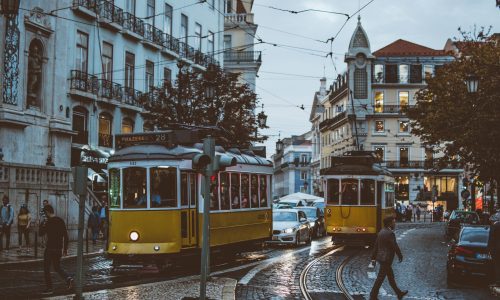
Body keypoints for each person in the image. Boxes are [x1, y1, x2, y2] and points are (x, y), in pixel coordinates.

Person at [370, 216, 408, 300]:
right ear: (389, 223)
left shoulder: (381, 232)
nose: (395, 224)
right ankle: (372, 296)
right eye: (393, 222)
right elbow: (394, 246)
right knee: (380, 278)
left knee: (391, 277)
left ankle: (399, 293)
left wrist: (373, 257)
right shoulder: (390, 233)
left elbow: (376, 246)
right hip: (386, 259)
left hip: (381, 258)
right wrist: (400, 255)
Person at [39, 205, 73, 295]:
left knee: (46, 269)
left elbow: (40, 233)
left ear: (47, 212)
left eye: (44, 213)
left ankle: (49, 288)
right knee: (57, 267)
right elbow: (66, 236)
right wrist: (65, 249)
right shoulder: (60, 220)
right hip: (58, 248)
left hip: (50, 248)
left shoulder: (47, 221)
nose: (44, 215)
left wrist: (43, 223)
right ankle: (68, 278)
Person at [489, 221, 500, 287]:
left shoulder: (495, 225)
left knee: (497, 265)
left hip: (496, 249)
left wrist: (490, 248)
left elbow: (491, 238)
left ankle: (498, 281)